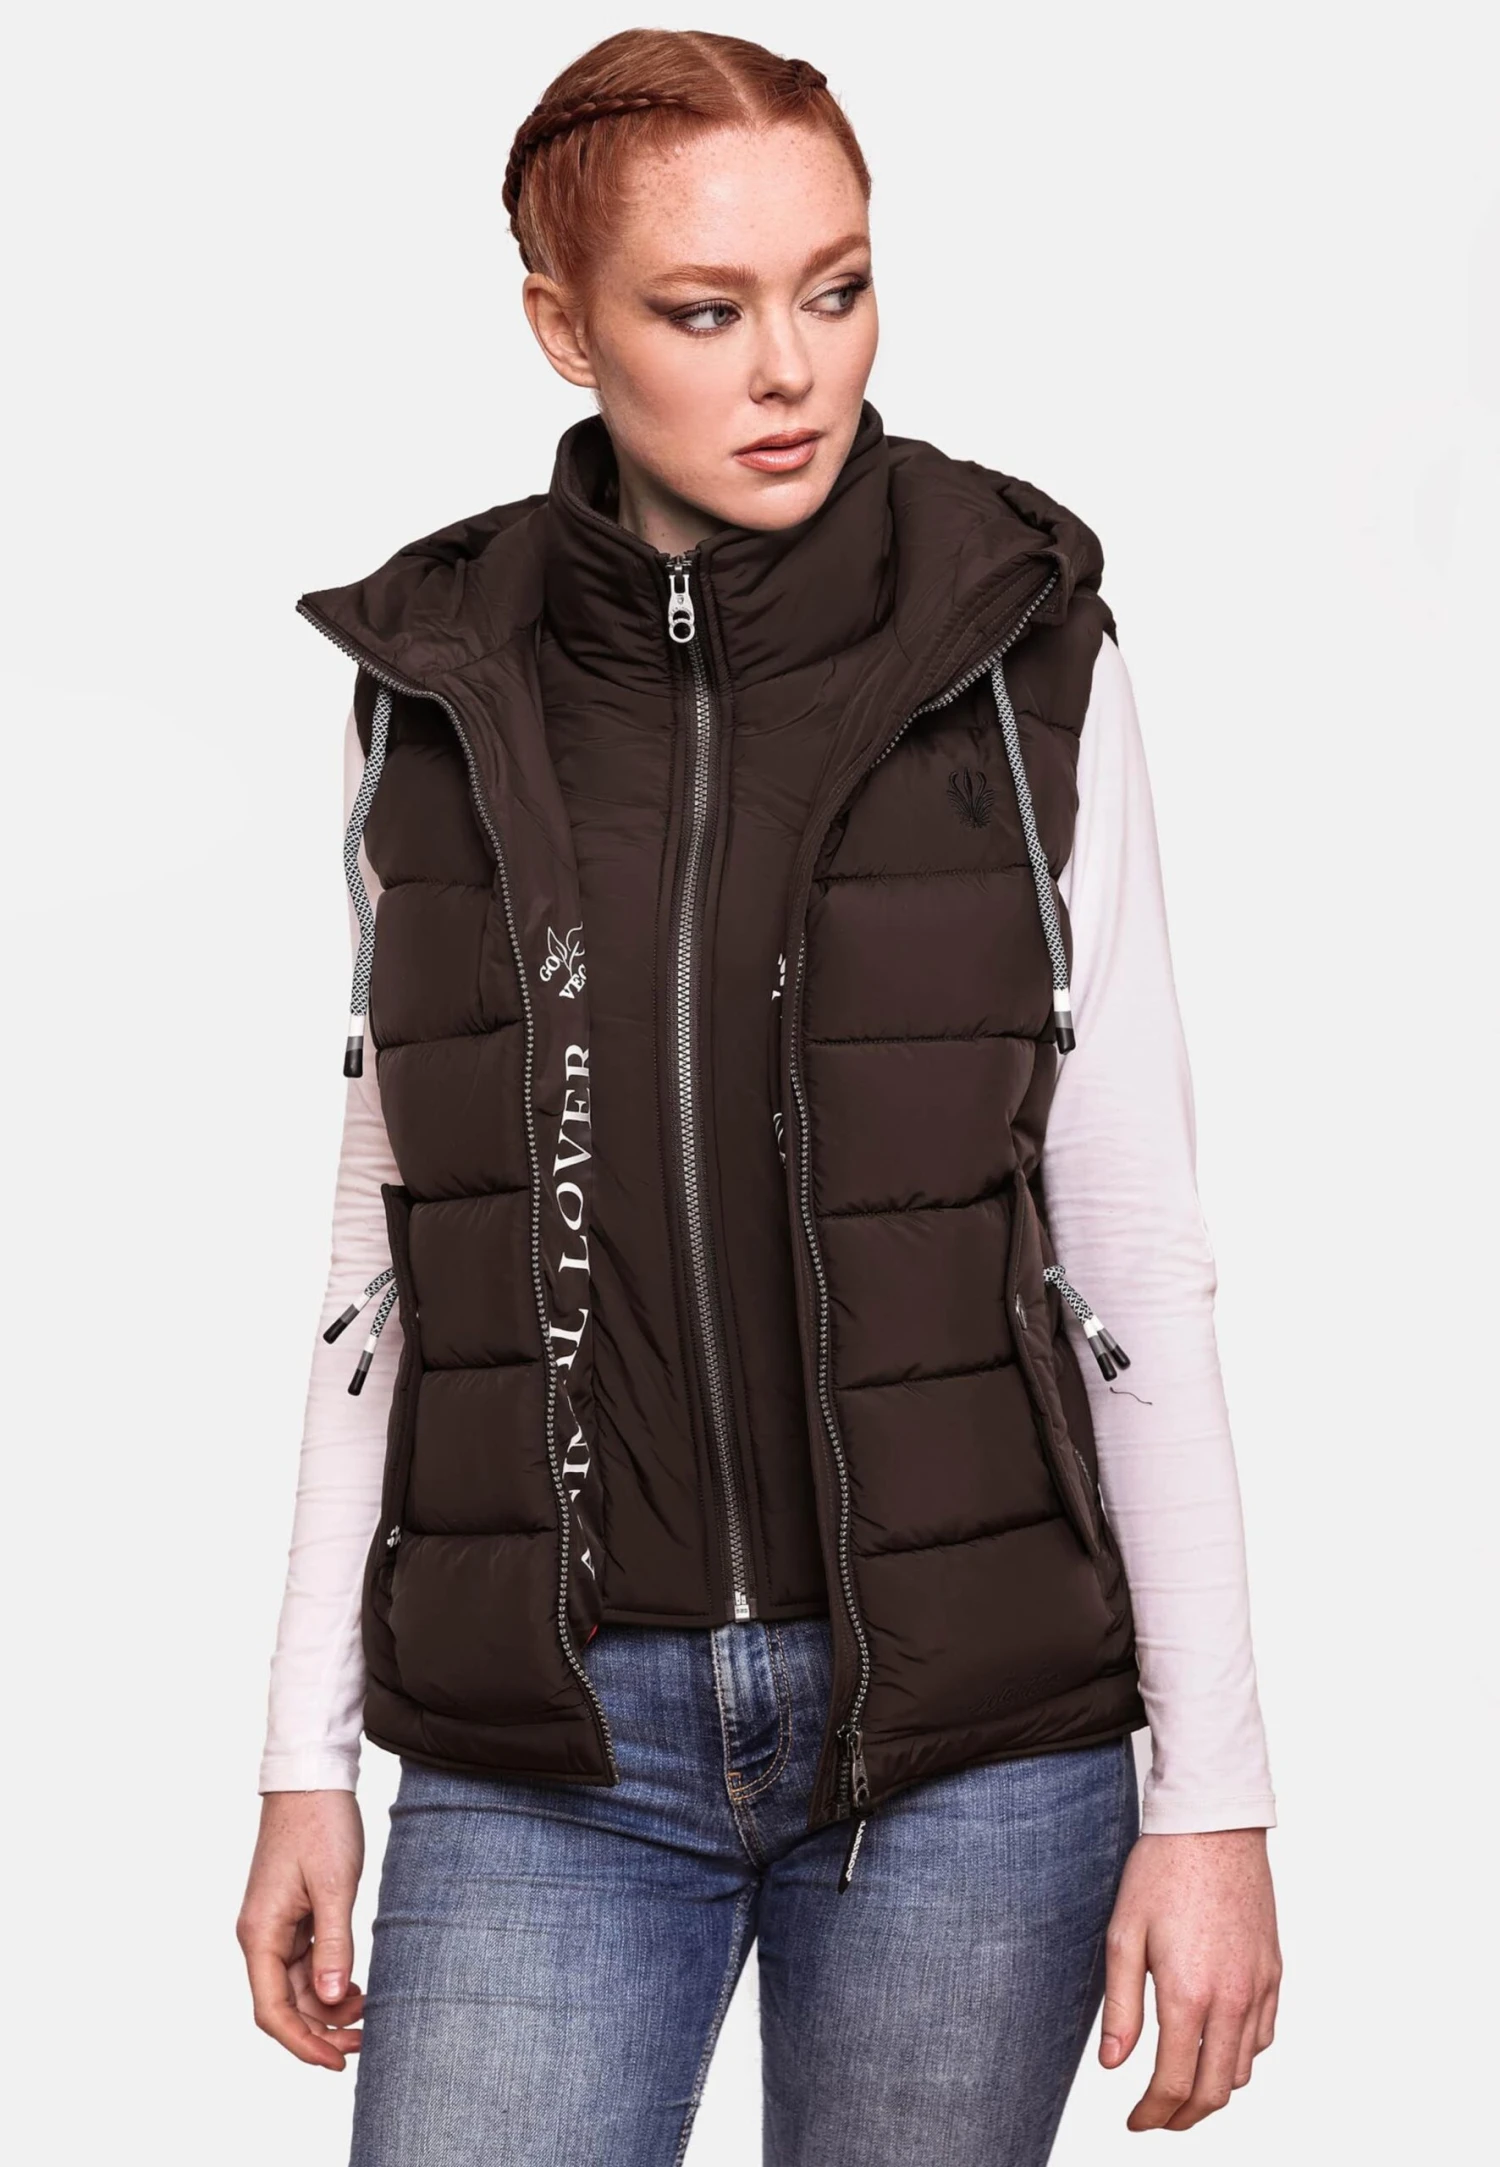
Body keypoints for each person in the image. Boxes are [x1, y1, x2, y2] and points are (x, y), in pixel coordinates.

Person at [237, 28, 1281, 2165]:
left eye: (838, 287)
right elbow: (390, 1248)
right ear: (564, 327)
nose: (792, 369)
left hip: (970, 1746)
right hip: (550, 1743)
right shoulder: (437, 691)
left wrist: (1218, 1803)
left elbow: (1135, 1245)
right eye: (704, 313)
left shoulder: (1019, 650)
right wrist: (302, 1754)